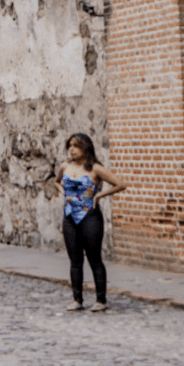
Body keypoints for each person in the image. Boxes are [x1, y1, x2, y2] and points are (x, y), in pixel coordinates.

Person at [55, 132, 126, 311]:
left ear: (85, 148)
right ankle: (77, 300)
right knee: (75, 260)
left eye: (76, 146)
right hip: (70, 217)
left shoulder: (95, 168)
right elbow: (56, 182)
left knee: (95, 259)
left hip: (90, 217)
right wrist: (63, 192)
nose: (72, 149)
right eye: (70, 146)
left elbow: (120, 183)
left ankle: (101, 300)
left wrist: (99, 195)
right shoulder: (65, 166)